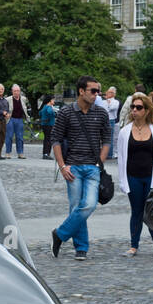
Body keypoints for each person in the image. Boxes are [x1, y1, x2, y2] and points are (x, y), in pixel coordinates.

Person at [50, 77, 111, 261]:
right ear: (81, 91)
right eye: (93, 90)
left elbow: (107, 140)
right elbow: (55, 140)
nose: (97, 94)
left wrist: (99, 163)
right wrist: (62, 166)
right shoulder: (66, 112)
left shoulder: (101, 113)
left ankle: (59, 234)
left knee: (89, 205)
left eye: (98, 91)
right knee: (76, 206)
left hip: (92, 168)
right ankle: (81, 247)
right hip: (73, 167)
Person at [116, 92, 153, 257]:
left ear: (146, 110)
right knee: (137, 211)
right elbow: (121, 158)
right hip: (133, 177)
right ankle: (133, 246)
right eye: (132, 107)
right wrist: (123, 181)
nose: (134, 110)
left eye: (138, 107)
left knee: (152, 211)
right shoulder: (125, 131)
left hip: (152, 177)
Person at [4, 83, 30, 159]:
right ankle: (8, 153)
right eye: (15, 91)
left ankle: (20, 153)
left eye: (18, 91)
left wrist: (27, 118)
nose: (16, 92)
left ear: (20, 91)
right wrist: (6, 113)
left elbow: (25, 109)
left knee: (20, 137)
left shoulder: (23, 99)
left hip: (20, 119)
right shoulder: (8, 99)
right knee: (9, 136)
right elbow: (4, 108)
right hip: (11, 119)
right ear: (12, 91)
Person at [104, 87, 120, 159]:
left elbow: (111, 108)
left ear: (113, 94)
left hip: (111, 120)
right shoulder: (104, 101)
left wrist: (108, 103)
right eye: (107, 92)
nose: (107, 93)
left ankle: (109, 154)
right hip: (104, 119)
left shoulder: (116, 102)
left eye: (109, 92)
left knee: (110, 137)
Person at [39, 95, 57, 159]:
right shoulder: (49, 107)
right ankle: (47, 154)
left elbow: (40, 113)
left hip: (44, 124)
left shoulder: (44, 107)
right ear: (50, 101)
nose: (54, 101)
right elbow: (50, 113)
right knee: (49, 140)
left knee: (46, 139)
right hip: (49, 125)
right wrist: (54, 114)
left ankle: (45, 153)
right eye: (53, 100)